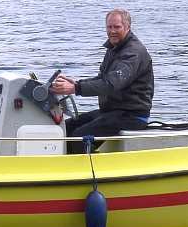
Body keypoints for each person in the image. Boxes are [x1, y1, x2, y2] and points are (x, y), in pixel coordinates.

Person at [50, 9, 153, 153]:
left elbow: (111, 84)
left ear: (127, 27)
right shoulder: (115, 48)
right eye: (109, 27)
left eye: (117, 27)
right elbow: (102, 79)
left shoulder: (133, 53)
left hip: (131, 116)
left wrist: (76, 89)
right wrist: (76, 84)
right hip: (111, 111)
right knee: (65, 127)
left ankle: (81, 170)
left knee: (77, 138)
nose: (112, 31)